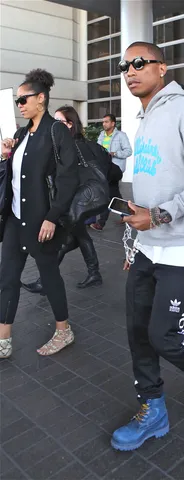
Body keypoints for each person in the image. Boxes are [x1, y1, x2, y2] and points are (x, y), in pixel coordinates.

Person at [110, 42, 184, 452]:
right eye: (125, 65)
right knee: (137, 334)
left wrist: (158, 215)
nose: (130, 71)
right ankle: (153, 410)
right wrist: (137, 230)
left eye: (139, 63)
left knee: (165, 335)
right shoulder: (144, 120)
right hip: (148, 245)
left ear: (162, 67)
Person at [0, 69, 79, 358]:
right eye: (17, 100)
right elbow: (14, 177)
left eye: (24, 99)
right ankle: (3, 340)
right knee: (6, 277)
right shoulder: (21, 134)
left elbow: (68, 178)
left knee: (49, 276)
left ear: (41, 98)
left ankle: (63, 330)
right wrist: (6, 154)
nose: (19, 104)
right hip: (14, 218)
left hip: (41, 220)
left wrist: (52, 215)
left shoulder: (56, 131)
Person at [21, 105, 121, 295]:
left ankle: (45, 280)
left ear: (70, 124)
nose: (54, 126)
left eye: (59, 122)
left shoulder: (69, 148)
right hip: (84, 202)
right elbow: (115, 172)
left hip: (75, 202)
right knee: (78, 236)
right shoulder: (90, 145)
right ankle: (93, 273)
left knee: (66, 239)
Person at [91, 114, 132, 231]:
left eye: (106, 122)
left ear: (113, 123)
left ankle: (101, 223)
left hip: (115, 170)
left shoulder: (121, 136)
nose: (104, 124)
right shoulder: (101, 135)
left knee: (108, 195)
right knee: (114, 194)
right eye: (103, 122)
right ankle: (127, 214)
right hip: (104, 169)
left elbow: (128, 151)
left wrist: (115, 153)